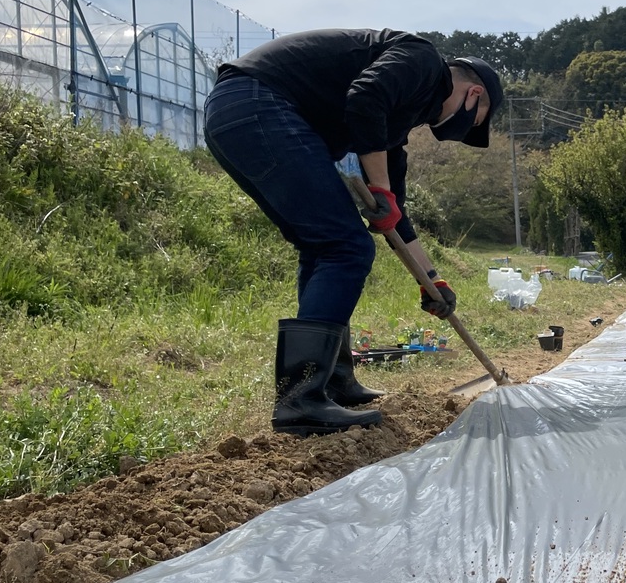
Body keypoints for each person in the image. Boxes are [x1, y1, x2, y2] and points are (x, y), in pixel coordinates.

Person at [203, 29, 503, 436]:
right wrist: (378, 187)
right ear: (473, 96)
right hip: (258, 102)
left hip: (241, 112)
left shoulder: (396, 122)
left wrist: (431, 280)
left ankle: (331, 381)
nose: (465, 130)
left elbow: (396, 213)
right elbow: (365, 96)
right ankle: (301, 399)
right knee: (346, 247)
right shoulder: (423, 61)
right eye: (477, 122)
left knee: (324, 246)